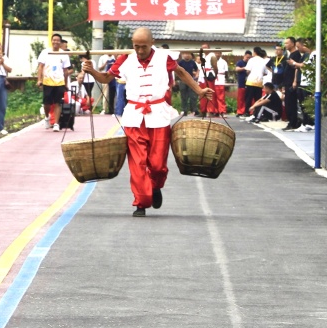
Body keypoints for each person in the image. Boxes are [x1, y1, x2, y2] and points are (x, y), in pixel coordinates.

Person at [82, 28, 213, 217]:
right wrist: (92, 70)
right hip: (134, 117)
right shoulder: (125, 60)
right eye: (136, 46)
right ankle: (141, 202)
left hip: (158, 115)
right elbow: (105, 78)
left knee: (158, 165)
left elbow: (182, 73)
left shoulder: (163, 57)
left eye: (144, 46)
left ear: (152, 43)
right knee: (138, 162)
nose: (140, 50)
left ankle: (155, 186)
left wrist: (199, 90)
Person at [36, 34, 71, 131]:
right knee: (47, 103)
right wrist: (39, 80)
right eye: (54, 40)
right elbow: (40, 67)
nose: (55, 42)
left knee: (58, 103)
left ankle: (56, 123)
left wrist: (66, 84)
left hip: (59, 82)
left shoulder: (63, 54)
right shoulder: (45, 52)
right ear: (51, 41)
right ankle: (47, 117)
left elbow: (65, 70)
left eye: (57, 40)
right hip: (47, 81)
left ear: (60, 42)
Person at [278, 36, 304, 130]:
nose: (286, 45)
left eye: (287, 43)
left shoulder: (296, 55)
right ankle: (291, 121)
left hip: (292, 82)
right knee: (288, 103)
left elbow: (297, 68)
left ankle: (293, 122)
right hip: (287, 82)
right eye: (285, 43)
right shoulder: (289, 54)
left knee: (291, 103)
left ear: (293, 44)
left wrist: (294, 81)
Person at [241, 47, 268, 118]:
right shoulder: (264, 60)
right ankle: (257, 113)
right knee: (257, 98)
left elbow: (248, 70)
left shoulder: (251, 60)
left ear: (255, 52)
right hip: (259, 82)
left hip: (251, 81)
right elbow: (265, 72)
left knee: (248, 98)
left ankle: (247, 112)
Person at [175, 51, 199, 116]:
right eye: (185, 54)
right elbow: (176, 70)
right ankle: (184, 110)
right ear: (183, 54)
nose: (187, 55)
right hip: (182, 81)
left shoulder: (192, 62)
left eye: (188, 54)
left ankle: (194, 110)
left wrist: (196, 75)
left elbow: (197, 69)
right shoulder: (180, 62)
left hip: (191, 81)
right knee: (184, 96)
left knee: (192, 96)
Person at [234, 51, 251, 115]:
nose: (248, 59)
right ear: (244, 56)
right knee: (241, 98)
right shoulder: (240, 62)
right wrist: (244, 68)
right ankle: (240, 111)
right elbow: (237, 69)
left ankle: (247, 111)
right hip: (241, 83)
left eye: (249, 58)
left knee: (248, 98)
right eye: (247, 57)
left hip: (249, 83)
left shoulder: (251, 63)